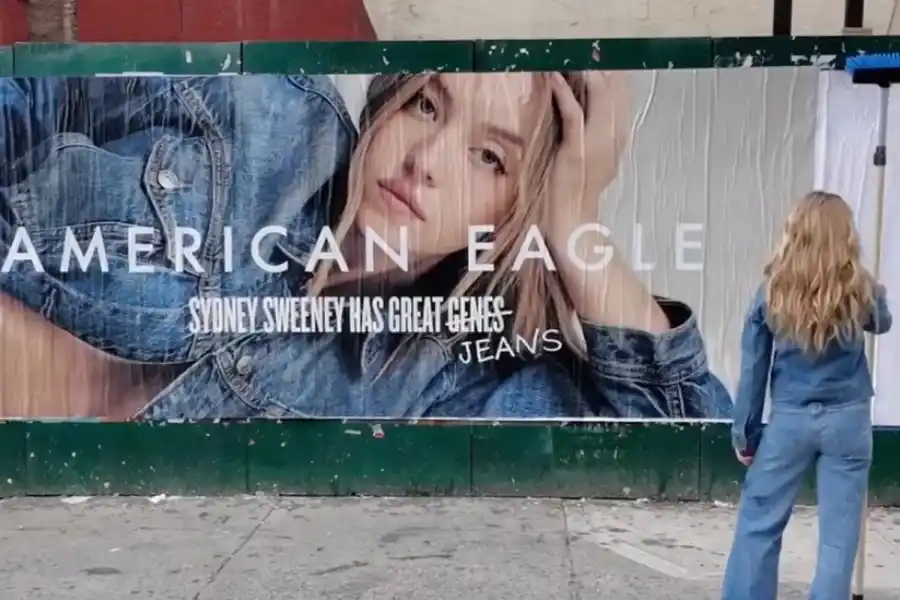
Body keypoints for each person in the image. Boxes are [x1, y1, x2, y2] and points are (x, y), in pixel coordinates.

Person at [0, 72, 732, 420]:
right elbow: (26, 100)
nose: (428, 161)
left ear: (517, 212)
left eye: (490, 159)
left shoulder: (438, 380)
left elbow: (692, 440)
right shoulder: (268, 112)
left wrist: (576, 217)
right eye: (426, 105)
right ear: (390, 100)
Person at [721, 191, 892, 600]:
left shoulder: (772, 291)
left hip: (791, 421)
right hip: (849, 421)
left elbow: (753, 370)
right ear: (845, 235)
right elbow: (881, 323)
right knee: (839, 538)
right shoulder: (859, 287)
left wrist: (745, 435)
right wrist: (877, 291)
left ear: (794, 233)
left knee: (760, 521)